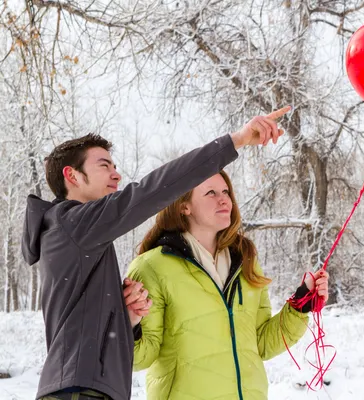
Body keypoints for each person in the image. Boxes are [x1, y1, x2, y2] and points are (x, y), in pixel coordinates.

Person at [21, 106, 291, 400]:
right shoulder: (74, 223)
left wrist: (126, 319)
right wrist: (236, 140)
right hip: (77, 392)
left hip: (89, 389)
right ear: (72, 175)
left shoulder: (79, 235)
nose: (116, 174)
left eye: (114, 166)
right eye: (104, 166)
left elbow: (86, 329)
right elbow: (149, 191)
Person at [127, 170, 329, 400]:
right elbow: (140, 357)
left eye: (226, 192)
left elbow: (261, 343)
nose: (224, 199)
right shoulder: (152, 267)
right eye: (210, 193)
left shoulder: (245, 259)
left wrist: (301, 305)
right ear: (184, 206)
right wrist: (130, 326)